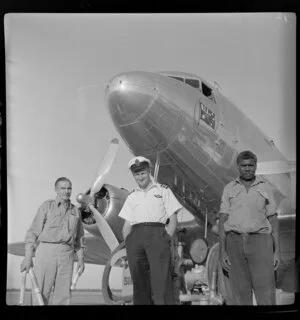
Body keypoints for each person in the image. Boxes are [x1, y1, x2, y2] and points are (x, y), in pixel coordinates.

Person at [118, 156, 183, 305]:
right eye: (136, 174)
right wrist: (129, 243)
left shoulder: (163, 190)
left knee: (161, 283)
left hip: (157, 235)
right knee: (139, 285)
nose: (140, 177)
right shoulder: (132, 196)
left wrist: (166, 238)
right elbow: (126, 225)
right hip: (135, 238)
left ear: (149, 172)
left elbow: (173, 219)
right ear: (133, 176)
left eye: (143, 173)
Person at [218, 150, 280, 305]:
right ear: (238, 167)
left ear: (256, 166)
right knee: (239, 295)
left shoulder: (265, 187)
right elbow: (222, 220)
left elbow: (273, 219)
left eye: (251, 165)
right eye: (243, 165)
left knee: (266, 295)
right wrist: (223, 251)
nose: (247, 168)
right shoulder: (229, 189)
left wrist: (277, 251)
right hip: (234, 243)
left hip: (260, 242)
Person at [20, 177, 85, 305]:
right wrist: (28, 257)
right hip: (46, 251)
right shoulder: (47, 206)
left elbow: (80, 239)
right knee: (41, 292)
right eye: (63, 188)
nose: (66, 191)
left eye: (69, 188)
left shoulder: (76, 211)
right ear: (56, 190)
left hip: (67, 253)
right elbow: (33, 233)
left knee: (63, 295)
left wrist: (81, 259)